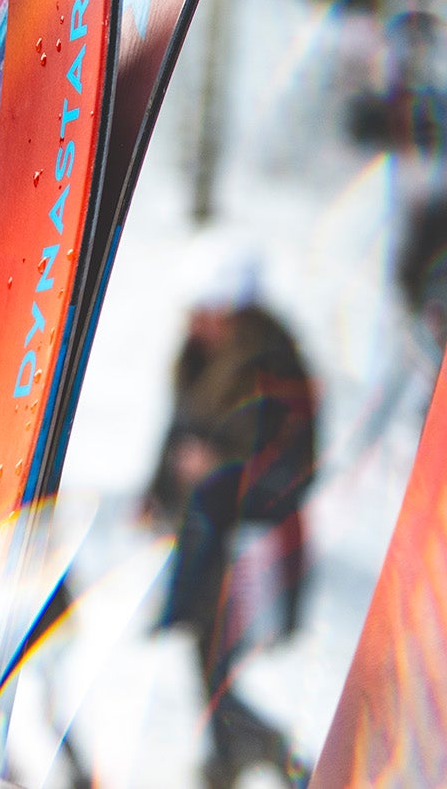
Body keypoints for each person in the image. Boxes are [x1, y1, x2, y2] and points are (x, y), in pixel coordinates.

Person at [145, 238, 320, 789]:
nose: (195, 322)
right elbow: (178, 431)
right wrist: (159, 492)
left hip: (253, 542)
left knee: (240, 664)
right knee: (203, 654)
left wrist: (218, 466)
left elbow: (293, 463)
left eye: (206, 311)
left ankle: (275, 755)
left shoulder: (275, 367)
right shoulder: (199, 357)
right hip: (204, 536)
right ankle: (234, 758)